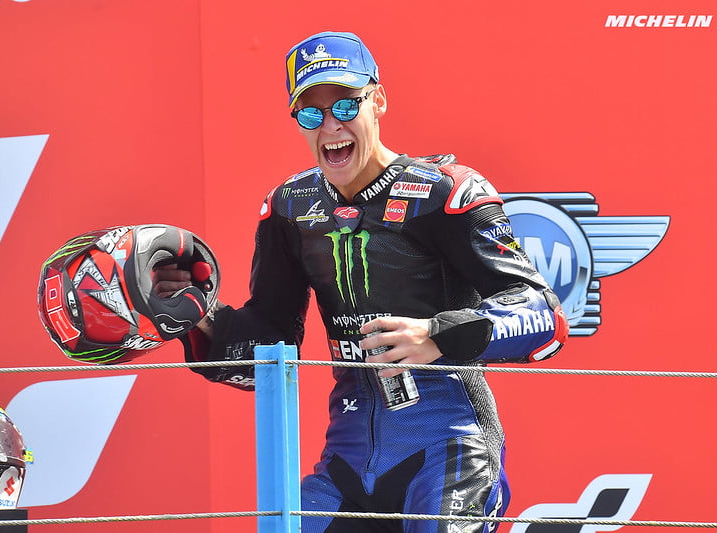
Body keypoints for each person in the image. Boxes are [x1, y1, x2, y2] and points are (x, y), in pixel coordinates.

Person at [154, 30, 569, 533]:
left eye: (346, 105)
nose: (331, 125)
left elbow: (545, 314)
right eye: (312, 113)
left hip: (449, 450)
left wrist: (437, 334)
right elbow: (268, 345)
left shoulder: (446, 192)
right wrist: (194, 313)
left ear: (379, 101)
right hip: (348, 461)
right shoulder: (289, 208)